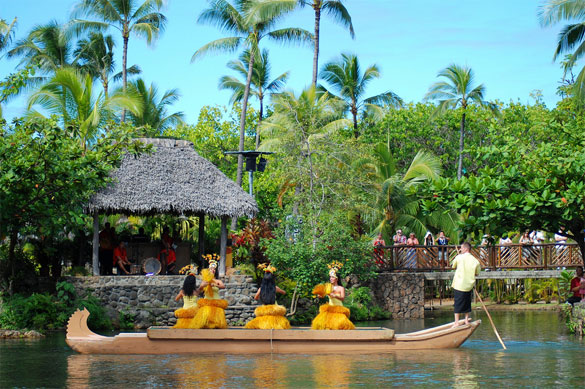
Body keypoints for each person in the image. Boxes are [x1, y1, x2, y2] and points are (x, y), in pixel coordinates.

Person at [311, 261, 355, 330]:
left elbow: (342, 298)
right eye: (330, 277)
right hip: (330, 308)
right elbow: (322, 295)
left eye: (332, 277)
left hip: (338, 309)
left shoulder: (341, 288)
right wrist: (320, 295)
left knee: (340, 325)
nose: (331, 278)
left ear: (336, 279)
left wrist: (334, 295)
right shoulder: (328, 287)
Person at [245, 264, 290, 329]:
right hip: (273, 309)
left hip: (264, 308)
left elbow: (255, 297)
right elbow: (284, 292)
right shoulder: (275, 288)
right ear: (272, 280)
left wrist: (261, 297)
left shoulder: (261, 289)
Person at [191, 254, 228, 329]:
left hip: (216, 300)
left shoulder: (218, 281)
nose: (213, 270)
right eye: (211, 269)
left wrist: (215, 285)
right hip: (207, 300)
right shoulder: (205, 280)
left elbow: (223, 286)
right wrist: (203, 285)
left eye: (214, 269)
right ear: (208, 270)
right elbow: (199, 290)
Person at [451, 242, 481, 327]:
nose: (460, 250)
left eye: (461, 248)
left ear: (466, 249)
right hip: (468, 285)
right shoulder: (475, 261)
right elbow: (477, 273)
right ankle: (466, 320)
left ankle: (456, 322)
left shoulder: (459, 257)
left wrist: (459, 257)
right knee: (467, 303)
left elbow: (453, 266)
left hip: (459, 284)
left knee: (458, 303)